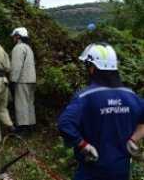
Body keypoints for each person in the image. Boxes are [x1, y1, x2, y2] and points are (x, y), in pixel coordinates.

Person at [58, 43, 144, 180]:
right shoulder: (132, 96)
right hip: (121, 171)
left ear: (93, 68)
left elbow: (64, 124)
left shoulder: (85, 97)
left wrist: (83, 145)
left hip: (91, 171)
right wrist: (133, 139)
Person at [10, 27, 36, 134]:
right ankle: (31, 126)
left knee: (21, 104)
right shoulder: (28, 48)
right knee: (30, 103)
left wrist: (13, 80)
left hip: (22, 80)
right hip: (31, 79)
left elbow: (16, 67)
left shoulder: (18, 48)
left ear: (18, 36)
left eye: (14, 36)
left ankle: (22, 128)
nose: (13, 38)